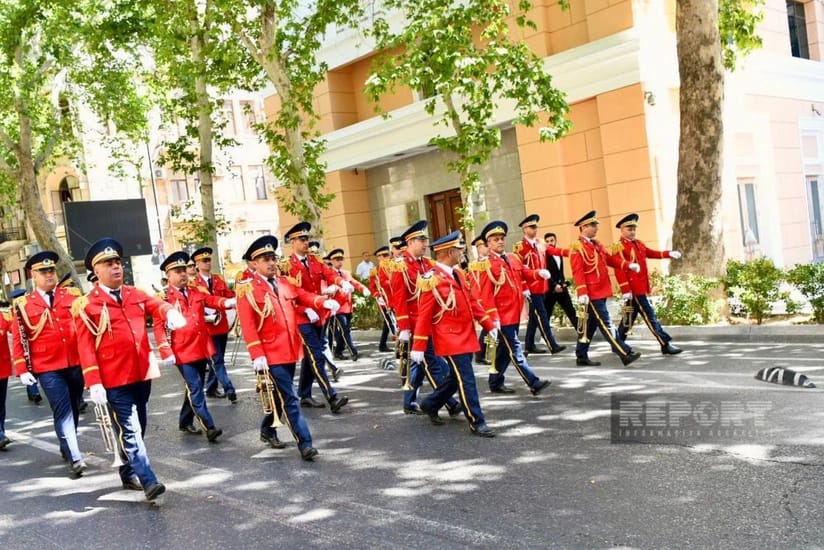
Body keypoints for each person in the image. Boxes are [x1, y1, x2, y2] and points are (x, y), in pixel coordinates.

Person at [73, 238, 187, 501]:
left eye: (117, 263)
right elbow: (85, 346)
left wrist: (169, 312)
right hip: (113, 378)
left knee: (140, 425)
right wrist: (94, 381)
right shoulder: (87, 304)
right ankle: (148, 480)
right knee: (131, 428)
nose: (116, 268)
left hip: (141, 372)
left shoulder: (135, 294)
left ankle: (127, 471)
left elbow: (155, 305)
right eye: (108, 264)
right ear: (96, 271)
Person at [236, 235, 340, 460]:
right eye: (265, 259)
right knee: (291, 397)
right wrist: (256, 353)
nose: (272, 262)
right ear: (254, 264)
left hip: (290, 350)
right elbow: (248, 324)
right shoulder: (248, 289)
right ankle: (305, 443)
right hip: (270, 354)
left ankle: (267, 428)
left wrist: (322, 302)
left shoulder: (284, 283)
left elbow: (303, 296)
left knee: (279, 397)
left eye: (273, 257)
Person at [411, 231, 498, 437]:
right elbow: (424, 315)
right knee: (466, 378)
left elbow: (472, 301)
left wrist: (488, 323)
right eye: (459, 249)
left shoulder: (458, 273)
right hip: (449, 338)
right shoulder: (431, 279)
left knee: (455, 378)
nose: (462, 252)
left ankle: (431, 404)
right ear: (449, 252)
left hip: (465, 334)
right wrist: (419, 346)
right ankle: (477, 421)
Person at [12, 251, 87, 474]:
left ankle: (66, 444)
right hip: (47, 367)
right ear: (32, 275)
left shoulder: (72, 295)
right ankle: (75, 455)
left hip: (75, 362)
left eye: (51, 270)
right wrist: (22, 368)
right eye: (43, 272)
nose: (49, 275)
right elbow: (19, 338)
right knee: (62, 409)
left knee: (74, 407)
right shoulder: (24, 304)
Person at [153, 251, 237, 442]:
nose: (183, 274)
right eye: (177, 271)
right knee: (196, 388)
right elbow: (158, 327)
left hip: (201, 347)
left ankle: (184, 421)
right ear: (169, 275)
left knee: (193, 388)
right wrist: (165, 351)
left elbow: (212, 301)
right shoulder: (164, 298)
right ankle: (209, 426)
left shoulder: (195, 291)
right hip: (182, 351)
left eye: (184, 270)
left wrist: (229, 302)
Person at [389, 220, 461, 416]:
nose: (424, 243)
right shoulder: (400, 265)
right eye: (421, 240)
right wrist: (403, 327)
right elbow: (399, 298)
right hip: (413, 324)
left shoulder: (427, 264)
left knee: (419, 364)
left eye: (424, 239)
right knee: (433, 363)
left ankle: (409, 400)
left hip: (430, 321)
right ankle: (450, 402)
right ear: (410, 241)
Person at [475, 221, 552, 396]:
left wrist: (537, 273)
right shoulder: (486, 264)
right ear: (488, 244)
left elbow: (524, 272)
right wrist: (492, 318)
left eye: (502, 238)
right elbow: (486, 294)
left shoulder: (512, 257)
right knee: (515, 348)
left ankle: (495, 382)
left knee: (503, 351)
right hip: (502, 316)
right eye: (495, 239)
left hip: (515, 312)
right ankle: (533, 382)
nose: (500, 242)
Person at [283, 222, 350, 412]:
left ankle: (304, 394)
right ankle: (332, 397)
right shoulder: (287, 266)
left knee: (310, 357)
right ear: (293, 242)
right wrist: (307, 309)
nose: (306, 243)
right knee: (317, 356)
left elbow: (329, 274)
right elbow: (292, 292)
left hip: (318, 314)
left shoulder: (314, 260)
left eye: (307, 239)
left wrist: (341, 282)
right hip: (302, 316)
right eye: (302, 239)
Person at [569, 211, 641, 367]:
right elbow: (578, 271)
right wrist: (582, 291)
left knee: (589, 326)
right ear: (584, 227)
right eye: (593, 225)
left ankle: (581, 355)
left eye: (596, 225)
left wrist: (628, 265)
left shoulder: (596, 244)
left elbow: (610, 259)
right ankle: (624, 352)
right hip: (591, 294)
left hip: (601, 290)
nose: (596, 228)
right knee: (606, 323)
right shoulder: (578, 247)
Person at [610, 213, 683, 354]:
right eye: (629, 229)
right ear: (622, 230)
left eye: (634, 229)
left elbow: (650, 253)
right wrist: (625, 289)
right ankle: (664, 344)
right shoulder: (618, 247)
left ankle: (617, 343)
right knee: (650, 316)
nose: (632, 232)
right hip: (633, 289)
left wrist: (668, 254)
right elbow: (619, 269)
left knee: (629, 317)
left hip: (641, 286)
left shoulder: (638, 243)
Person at [514, 214, 566, 355]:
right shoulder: (520, 247)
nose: (535, 229)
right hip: (532, 288)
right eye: (532, 227)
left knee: (534, 318)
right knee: (542, 316)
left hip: (542, 286)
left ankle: (529, 345)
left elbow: (553, 250)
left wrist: (569, 252)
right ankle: (552, 345)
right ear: (524, 229)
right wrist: (524, 288)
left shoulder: (540, 242)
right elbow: (519, 270)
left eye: (536, 226)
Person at [192, 247, 238, 402]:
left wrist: (237, 298)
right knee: (216, 359)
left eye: (209, 260)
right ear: (197, 264)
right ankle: (229, 388)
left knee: (217, 358)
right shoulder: (193, 282)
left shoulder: (218, 279)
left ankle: (211, 387)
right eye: (204, 261)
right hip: (206, 327)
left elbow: (228, 296)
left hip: (221, 324)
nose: (207, 263)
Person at [327, 249, 371, 361]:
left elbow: (354, 282)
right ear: (331, 261)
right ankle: (353, 352)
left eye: (341, 259)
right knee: (345, 330)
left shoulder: (346, 273)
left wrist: (363, 288)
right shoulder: (328, 273)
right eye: (337, 260)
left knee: (345, 330)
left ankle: (338, 351)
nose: (339, 262)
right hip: (337, 307)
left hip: (347, 306)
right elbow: (324, 288)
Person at [8, 288, 43, 404]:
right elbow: (13, 331)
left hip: (34, 344)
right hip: (24, 346)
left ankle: (32, 391)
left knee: (33, 370)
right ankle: (34, 392)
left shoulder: (29, 306)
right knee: (28, 369)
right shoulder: (13, 312)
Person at [468, 235, 495, 364]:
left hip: (492, 298)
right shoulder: (477, 264)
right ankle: (480, 353)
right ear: (479, 248)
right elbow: (477, 286)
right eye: (484, 245)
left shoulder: (489, 261)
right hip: (484, 300)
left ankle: (482, 353)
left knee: (492, 328)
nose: (487, 248)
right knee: (488, 327)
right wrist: (479, 301)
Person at [543, 232, 578, 329]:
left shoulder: (559, 253)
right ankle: (544, 336)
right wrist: (554, 285)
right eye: (547, 241)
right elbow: (545, 273)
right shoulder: (544, 255)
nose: (550, 243)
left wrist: (563, 283)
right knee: (547, 313)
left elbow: (560, 271)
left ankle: (582, 334)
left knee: (571, 311)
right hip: (551, 290)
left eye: (552, 240)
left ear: (555, 241)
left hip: (562, 287)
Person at [369, 245, 395, 353]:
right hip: (385, 301)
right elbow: (372, 287)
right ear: (378, 257)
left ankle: (383, 344)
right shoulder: (375, 271)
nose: (384, 257)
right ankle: (388, 345)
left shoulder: (395, 266)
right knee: (390, 322)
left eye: (386, 255)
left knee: (392, 323)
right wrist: (378, 296)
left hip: (396, 299)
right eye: (381, 256)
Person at [0, 299, 13, 450]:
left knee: (0, 403)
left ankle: (1, 432)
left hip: (1, 370)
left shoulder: (4, 317)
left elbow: (16, 330)